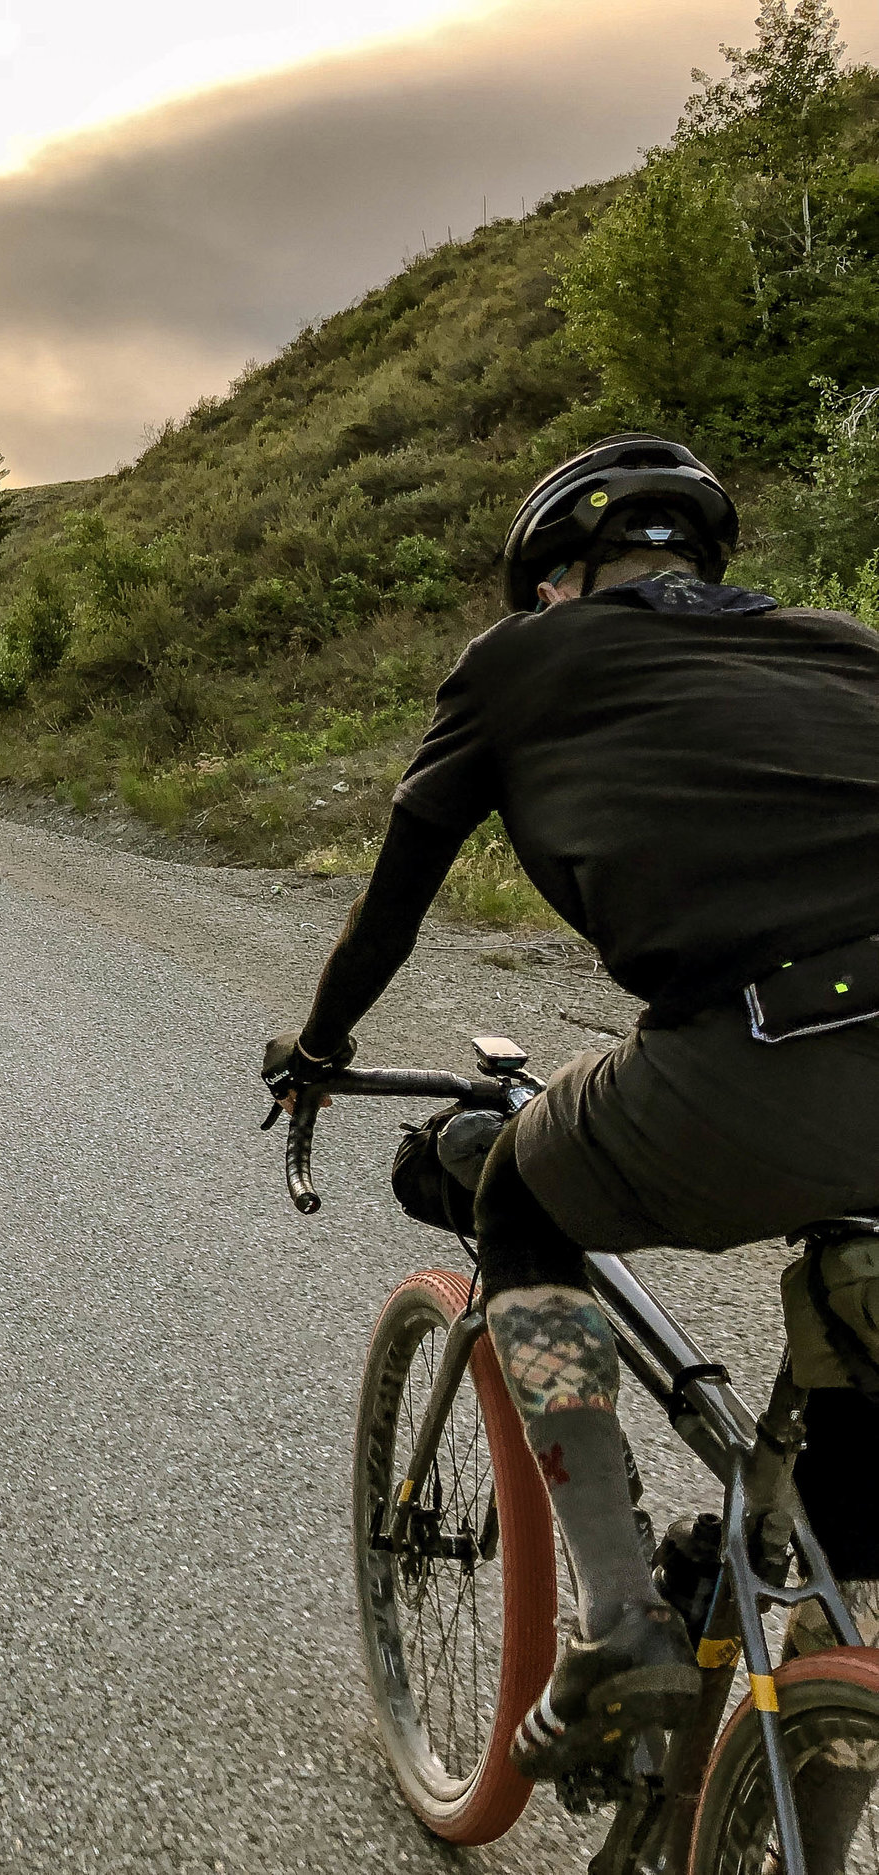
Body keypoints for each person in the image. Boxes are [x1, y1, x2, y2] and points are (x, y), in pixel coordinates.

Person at [263, 434, 879, 1783]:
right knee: (840, 1518)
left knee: (519, 1196)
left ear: (553, 581)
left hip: (763, 1062)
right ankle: (797, 1647)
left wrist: (316, 1049)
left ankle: (615, 1626)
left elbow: (392, 905)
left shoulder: (516, 662)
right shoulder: (842, 645)